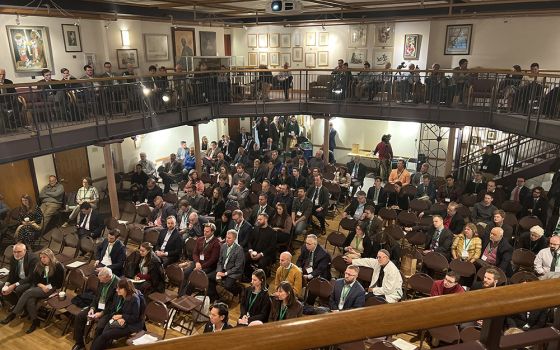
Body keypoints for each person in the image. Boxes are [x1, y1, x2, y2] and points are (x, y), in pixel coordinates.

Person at [1, 248, 65, 334]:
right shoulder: (40, 265)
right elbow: (35, 279)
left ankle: (13, 314)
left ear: (50, 257)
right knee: (30, 300)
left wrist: (45, 287)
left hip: (50, 288)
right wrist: (41, 285)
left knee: (27, 292)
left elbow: (58, 283)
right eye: (41, 257)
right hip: (39, 286)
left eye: (44, 257)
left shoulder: (58, 266)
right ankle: (35, 321)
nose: (42, 259)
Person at [90, 278, 145, 350]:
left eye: (119, 289)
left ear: (126, 289)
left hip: (132, 325)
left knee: (104, 335)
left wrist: (122, 317)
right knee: (105, 331)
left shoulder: (134, 299)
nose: (117, 290)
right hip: (124, 320)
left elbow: (135, 317)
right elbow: (122, 310)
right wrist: (120, 317)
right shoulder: (125, 296)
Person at [72, 267, 119, 350]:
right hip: (98, 306)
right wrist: (92, 308)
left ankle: (94, 347)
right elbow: (96, 296)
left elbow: (114, 305)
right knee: (80, 316)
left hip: (109, 311)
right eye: (100, 279)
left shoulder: (117, 284)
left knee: (100, 326)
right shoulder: (102, 279)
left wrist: (102, 313)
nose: (100, 281)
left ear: (109, 277)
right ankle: (79, 343)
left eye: (102, 280)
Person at [179, 223, 221, 295]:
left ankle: (186, 295)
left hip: (208, 265)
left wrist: (201, 266)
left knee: (194, 275)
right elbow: (195, 253)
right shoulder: (200, 239)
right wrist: (197, 263)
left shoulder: (216, 242)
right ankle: (180, 294)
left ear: (212, 232)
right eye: (204, 231)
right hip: (198, 262)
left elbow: (213, 259)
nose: (205, 233)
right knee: (186, 272)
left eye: (207, 231)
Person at [0, 243, 38, 307]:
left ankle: (23, 306)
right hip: (19, 278)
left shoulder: (33, 259)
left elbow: (30, 277)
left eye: (19, 252)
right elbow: (11, 273)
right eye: (14, 252)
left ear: (25, 251)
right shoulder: (13, 257)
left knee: (18, 289)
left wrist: (14, 285)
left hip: (30, 281)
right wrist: (7, 284)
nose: (16, 254)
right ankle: (16, 304)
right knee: (2, 286)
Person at [211, 230, 245, 300]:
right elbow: (220, 261)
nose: (227, 239)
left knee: (227, 286)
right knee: (210, 278)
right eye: (226, 237)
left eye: (229, 238)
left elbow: (238, 267)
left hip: (234, 272)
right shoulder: (223, 246)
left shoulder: (239, 249)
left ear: (234, 239)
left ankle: (239, 289)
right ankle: (216, 296)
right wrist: (218, 271)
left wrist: (225, 273)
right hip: (223, 269)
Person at [245, 213, 277, 278]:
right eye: (258, 219)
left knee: (262, 263)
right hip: (254, 252)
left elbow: (272, 247)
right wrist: (251, 251)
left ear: (266, 219)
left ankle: (261, 279)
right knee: (244, 258)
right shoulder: (255, 228)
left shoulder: (272, 232)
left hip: (265, 254)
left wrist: (261, 254)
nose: (258, 221)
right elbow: (249, 241)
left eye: (260, 219)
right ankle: (249, 276)